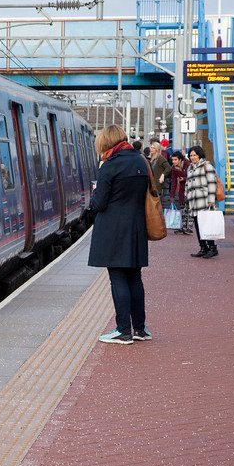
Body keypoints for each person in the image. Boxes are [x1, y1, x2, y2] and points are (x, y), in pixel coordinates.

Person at [88, 124, 151, 345]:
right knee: (134, 277)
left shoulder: (109, 165)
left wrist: (94, 195)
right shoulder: (140, 160)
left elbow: (99, 203)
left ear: (106, 142)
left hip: (113, 230)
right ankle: (140, 329)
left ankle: (123, 331)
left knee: (118, 278)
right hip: (136, 227)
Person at [185, 145, 219, 258]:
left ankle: (212, 247)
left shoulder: (206, 165)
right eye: (191, 155)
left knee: (206, 225)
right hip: (194, 202)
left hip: (204, 200)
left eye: (195, 155)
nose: (193, 157)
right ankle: (203, 247)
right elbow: (187, 183)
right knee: (197, 225)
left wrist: (211, 200)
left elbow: (212, 183)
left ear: (199, 155)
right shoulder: (190, 168)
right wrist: (187, 195)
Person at [169, 150, 191, 235]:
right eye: (172, 160)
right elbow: (173, 182)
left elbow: (191, 176)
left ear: (180, 160)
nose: (173, 162)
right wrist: (172, 196)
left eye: (175, 160)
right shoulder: (174, 169)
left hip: (190, 189)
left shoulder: (188, 165)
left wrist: (184, 179)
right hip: (182, 190)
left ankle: (188, 227)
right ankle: (183, 227)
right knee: (182, 208)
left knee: (189, 209)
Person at [149, 141, 172, 209]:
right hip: (151, 184)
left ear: (157, 149)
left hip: (157, 184)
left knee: (157, 202)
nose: (151, 149)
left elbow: (168, 168)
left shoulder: (160, 158)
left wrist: (163, 175)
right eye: (151, 147)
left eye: (154, 148)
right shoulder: (151, 158)